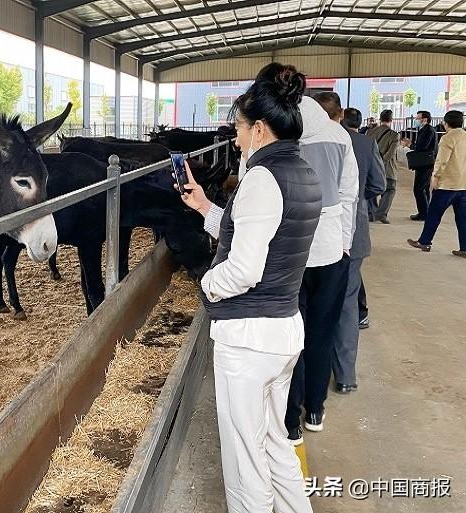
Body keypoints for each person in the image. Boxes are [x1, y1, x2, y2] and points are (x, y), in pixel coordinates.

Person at [179, 62, 321, 513]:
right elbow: (257, 234)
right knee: (275, 442)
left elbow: (243, 269)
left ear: (259, 129)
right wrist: (205, 206)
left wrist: (206, 282)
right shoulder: (301, 171)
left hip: (249, 341)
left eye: (239, 128)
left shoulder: (261, 178)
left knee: (245, 459)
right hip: (281, 331)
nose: (235, 137)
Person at [285, 94, 359, 440]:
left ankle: (289, 418)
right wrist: (344, 242)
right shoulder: (339, 135)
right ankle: (315, 408)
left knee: (289, 335)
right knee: (321, 332)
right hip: (330, 251)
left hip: (289, 252)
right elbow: (349, 195)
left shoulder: (278, 133)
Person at [334, 107, 386, 393]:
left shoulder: (311, 140)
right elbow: (378, 183)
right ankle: (345, 376)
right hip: (355, 235)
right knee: (347, 303)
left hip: (318, 237)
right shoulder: (366, 143)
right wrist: (356, 202)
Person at [407, 110, 466, 258]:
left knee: (434, 214)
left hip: (447, 184)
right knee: (462, 218)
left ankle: (425, 241)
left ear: (446, 123)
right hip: (463, 185)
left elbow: (442, 161)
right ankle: (464, 248)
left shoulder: (447, 138)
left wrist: (435, 177)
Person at [367, 110, 400, 224]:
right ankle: (381, 214)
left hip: (371, 166)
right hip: (388, 169)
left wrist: (374, 164)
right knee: (390, 190)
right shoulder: (394, 135)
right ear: (391, 120)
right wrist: (381, 162)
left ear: (380, 119)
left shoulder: (370, 132)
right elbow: (390, 154)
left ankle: (371, 213)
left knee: (371, 189)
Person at [410, 110, 438, 220]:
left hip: (425, 164)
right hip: (425, 163)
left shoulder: (428, 131)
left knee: (418, 189)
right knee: (424, 188)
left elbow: (422, 146)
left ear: (424, 119)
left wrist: (411, 145)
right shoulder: (426, 130)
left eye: (418, 118)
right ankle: (426, 211)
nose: (416, 120)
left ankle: (423, 213)